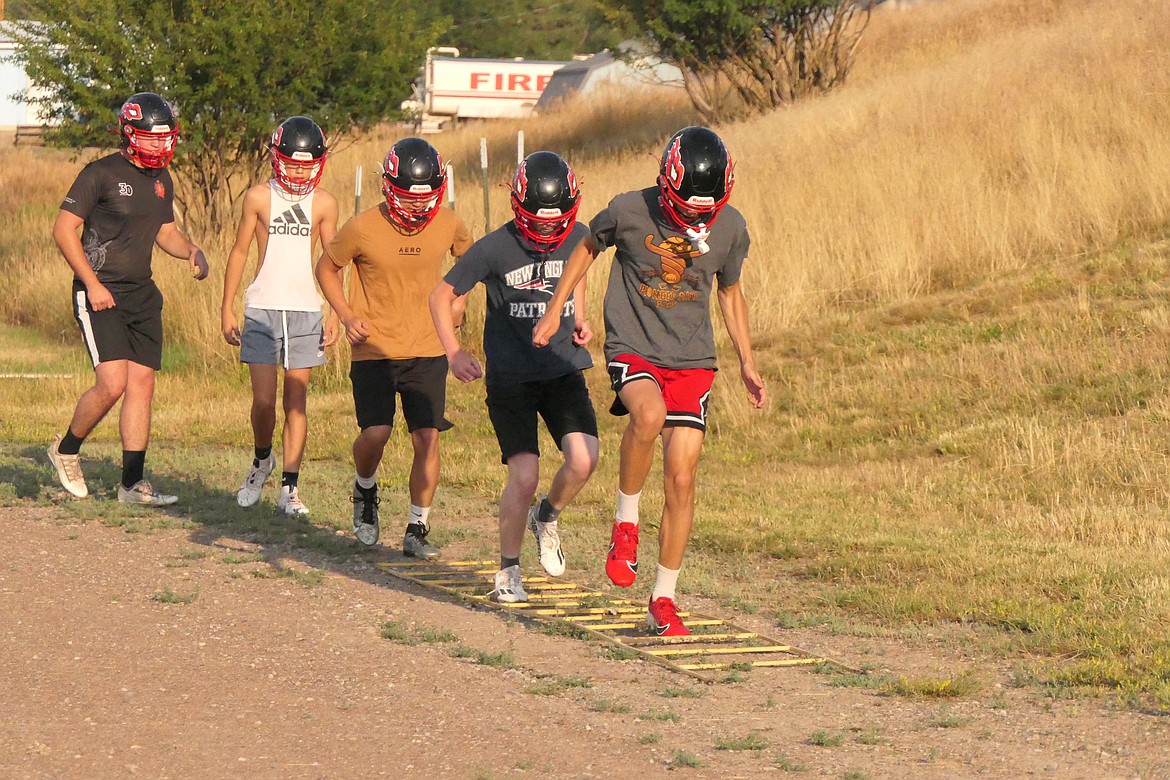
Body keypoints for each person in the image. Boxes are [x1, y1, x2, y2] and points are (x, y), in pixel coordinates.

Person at [533, 126, 766, 636]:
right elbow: (585, 248)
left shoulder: (731, 228)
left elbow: (730, 294)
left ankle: (663, 599)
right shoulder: (628, 210)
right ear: (667, 184)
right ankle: (626, 524)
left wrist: (747, 360)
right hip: (634, 346)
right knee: (648, 414)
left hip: (693, 359)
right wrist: (558, 309)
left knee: (683, 478)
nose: (697, 218)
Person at [430, 151, 599, 603]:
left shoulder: (580, 235)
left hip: (563, 368)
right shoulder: (493, 247)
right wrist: (453, 351)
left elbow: (578, 270)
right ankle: (507, 570)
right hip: (512, 378)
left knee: (584, 460)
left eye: (555, 221)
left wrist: (581, 317)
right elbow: (439, 295)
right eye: (538, 221)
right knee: (523, 476)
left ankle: (547, 516)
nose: (548, 229)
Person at [47, 91, 209, 506]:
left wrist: (191, 250)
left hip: (142, 294)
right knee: (112, 383)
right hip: (99, 291)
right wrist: (92, 284)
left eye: (165, 137)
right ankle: (65, 450)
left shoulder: (162, 180)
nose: (160, 145)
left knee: (141, 384)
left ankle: (132, 485)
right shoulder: (98, 173)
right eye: (151, 138)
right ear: (129, 133)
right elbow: (64, 230)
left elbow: (165, 231)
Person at [316, 137, 472, 556]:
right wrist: (347, 315)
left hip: (428, 347)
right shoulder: (362, 226)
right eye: (408, 198)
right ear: (389, 187)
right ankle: (365, 489)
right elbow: (327, 267)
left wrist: (460, 302)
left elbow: (470, 259)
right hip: (376, 348)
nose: (418, 208)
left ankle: (416, 530)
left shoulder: (449, 221)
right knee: (376, 434)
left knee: (428, 437)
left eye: (425, 199)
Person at [221, 116, 340, 516]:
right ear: (277, 157)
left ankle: (290, 487)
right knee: (262, 402)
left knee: (296, 401)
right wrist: (226, 307)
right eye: (292, 162)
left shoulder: (324, 203)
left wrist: (338, 313)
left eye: (307, 163)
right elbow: (239, 251)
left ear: (319, 163)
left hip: (306, 309)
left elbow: (333, 261)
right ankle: (261, 461)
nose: (299, 170)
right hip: (262, 307)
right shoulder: (258, 197)